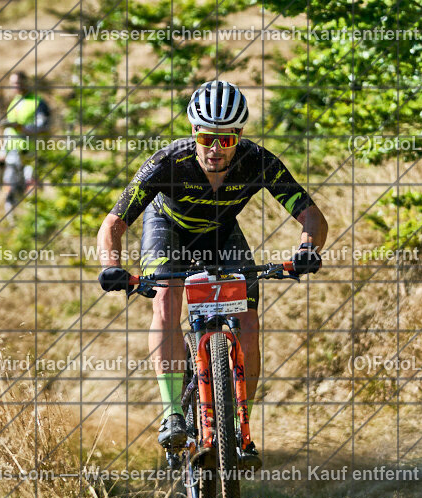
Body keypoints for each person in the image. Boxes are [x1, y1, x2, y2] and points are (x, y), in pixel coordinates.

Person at [95, 80, 328, 470]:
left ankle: (239, 427)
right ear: (193, 132)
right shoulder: (168, 162)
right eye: (206, 137)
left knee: (249, 323)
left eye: (227, 139)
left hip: (221, 233)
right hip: (168, 229)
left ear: (240, 136)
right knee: (167, 299)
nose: (215, 149)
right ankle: (172, 414)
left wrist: (307, 249)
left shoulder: (258, 161)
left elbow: (312, 216)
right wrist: (111, 265)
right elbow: (113, 223)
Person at [1, 71, 51, 213]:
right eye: (12, 83)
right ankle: (12, 222)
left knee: (32, 187)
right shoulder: (13, 102)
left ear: (25, 82)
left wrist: (22, 128)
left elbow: (44, 126)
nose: (15, 86)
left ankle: (34, 219)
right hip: (13, 153)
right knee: (9, 188)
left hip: (31, 153)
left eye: (17, 82)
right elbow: (8, 130)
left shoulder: (38, 102)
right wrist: (2, 151)